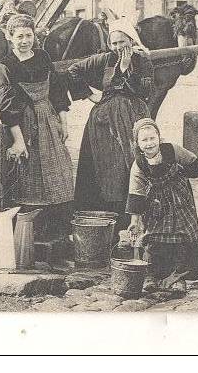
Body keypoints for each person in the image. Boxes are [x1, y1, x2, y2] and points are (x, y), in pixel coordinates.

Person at [66, 18, 155, 230]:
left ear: (131, 40)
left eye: (122, 42)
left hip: (132, 117)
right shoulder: (105, 59)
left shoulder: (143, 61)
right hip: (103, 123)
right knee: (103, 168)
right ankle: (102, 222)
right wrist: (89, 94)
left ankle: (132, 220)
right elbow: (73, 71)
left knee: (131, 165)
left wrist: (124, 69)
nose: (118, 47)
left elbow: (144, 92)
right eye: (114, 43)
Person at [0, 14, 74, 241]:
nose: (24, 41)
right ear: (10, 38)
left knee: (59, 169)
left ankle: (59, 233)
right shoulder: (5, 66)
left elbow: (58, 90)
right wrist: (18, 140)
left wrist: (63, 121)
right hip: (24, 124)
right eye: (19, 36)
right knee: (30, 173)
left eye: (28, 36)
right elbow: (7, 109)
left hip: (48, 117)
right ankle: (32, 234)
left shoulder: (42, 56)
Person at [126, 118, 198, 292]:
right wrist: (134, 221)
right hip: (156, 206)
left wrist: (182, 174)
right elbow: (136, 194)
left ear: (159, 138)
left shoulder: (172, 150)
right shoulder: (138, 165)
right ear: (137, 144)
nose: (149, 143)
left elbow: (193, 163)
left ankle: (178, 278)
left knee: (181, 238)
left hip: (180, 202)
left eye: (152, 138)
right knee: (154, 239)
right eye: (144, 140)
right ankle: (152, 276)